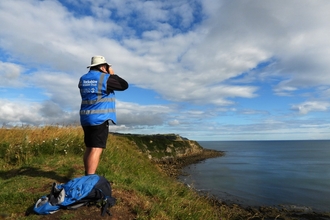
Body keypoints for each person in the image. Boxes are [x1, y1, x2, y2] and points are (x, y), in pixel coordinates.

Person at [78, 55, 128, 175]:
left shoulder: (83, 78)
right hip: (99, 119)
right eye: (106, 66)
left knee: (89, 147)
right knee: (96, 148)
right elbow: (124, 85)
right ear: (102, 66)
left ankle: (87, 174)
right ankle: (90, 178)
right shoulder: (105, 78)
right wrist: (112, 74)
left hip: (86, 118)